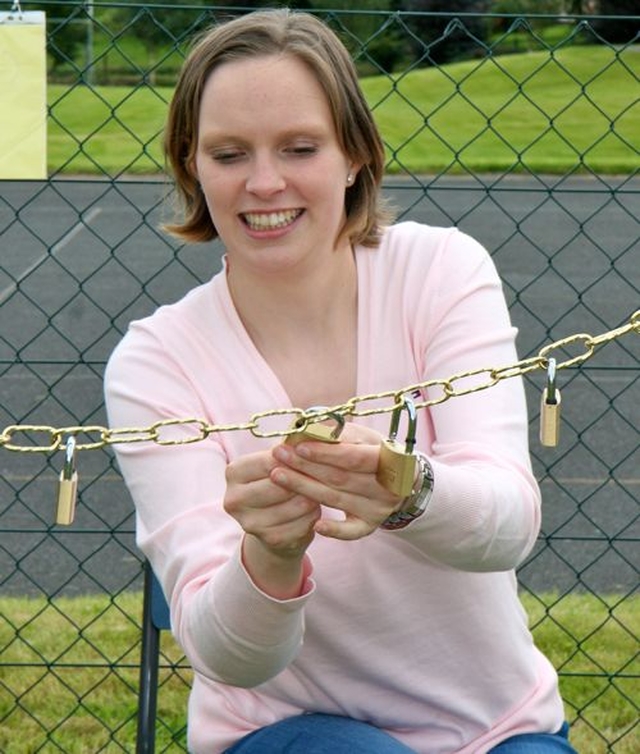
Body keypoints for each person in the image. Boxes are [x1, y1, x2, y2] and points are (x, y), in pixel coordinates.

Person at [104, 9, 578, 754]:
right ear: (190, 163)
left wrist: (405, 489)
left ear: (354, 153)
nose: (264, 183)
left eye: (299, 147)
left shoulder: (439, 272)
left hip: (491, 729)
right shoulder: (158, 362)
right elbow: (228, 656)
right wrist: (271, 552)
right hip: (289, 733)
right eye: (229, 154)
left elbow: (508, 526)